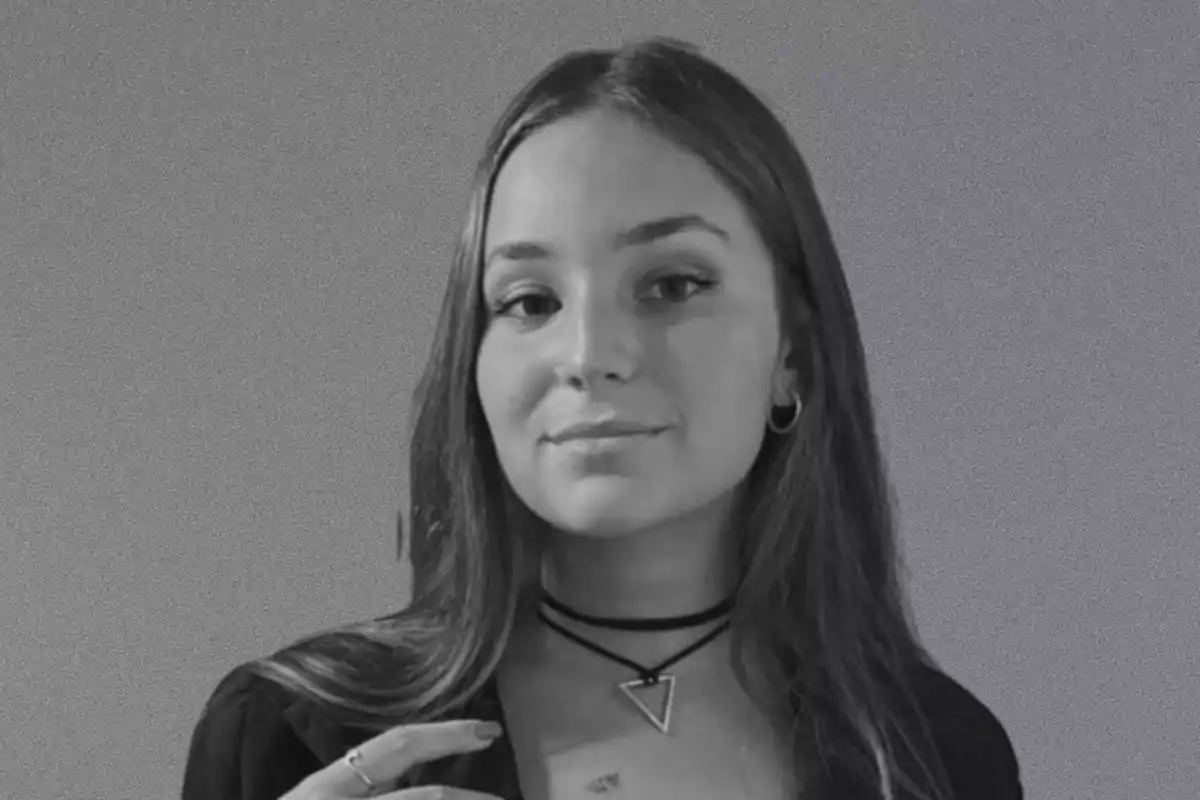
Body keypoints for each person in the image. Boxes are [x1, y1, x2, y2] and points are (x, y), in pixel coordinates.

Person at [181, 36, 1023, 800]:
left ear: (792, 353)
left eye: (672, 285)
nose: (586, 353)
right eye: (529, 299)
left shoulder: (940, 757)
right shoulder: (284, 736)